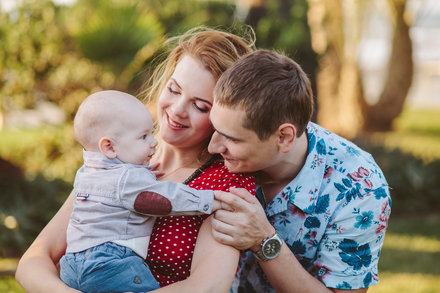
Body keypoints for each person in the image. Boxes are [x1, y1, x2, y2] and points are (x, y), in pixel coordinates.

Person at [15, 27, 255, 293]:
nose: (177, 110)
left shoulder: (225, 184)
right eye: (174, 90)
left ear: (222, 117)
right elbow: (32, 263)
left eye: (200, 106)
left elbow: (208, 286)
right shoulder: (113, 161)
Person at [209, 49, 392, 292]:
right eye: (215, 128)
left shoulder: (360, 190)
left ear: (284, 137)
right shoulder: (221, 147)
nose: (212, 146)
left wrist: (264, 241)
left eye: (231, 139)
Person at [60, 90, 222, 293]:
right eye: (143, 137)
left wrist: (141, 173)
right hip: (110, 261)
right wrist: (211, 200)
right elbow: (167, 199)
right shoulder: (128, 179)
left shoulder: (86, 173)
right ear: (109, 147)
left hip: (71, 264)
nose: (153, 142)